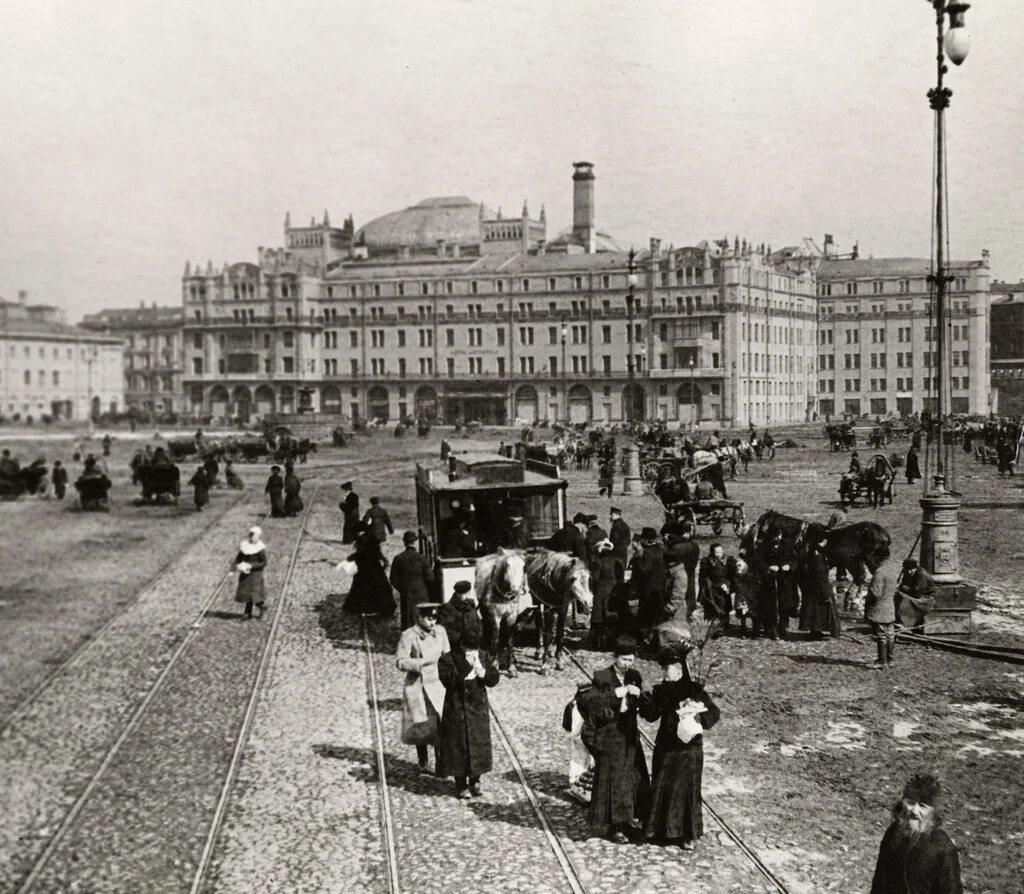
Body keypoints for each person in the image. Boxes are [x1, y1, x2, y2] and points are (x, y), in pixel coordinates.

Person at [639, 646, 720, 850]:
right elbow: (651, 715)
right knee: (662, 786)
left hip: (689, 749)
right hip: (666, 746)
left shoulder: (694, 689)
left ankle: (687, 834)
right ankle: (658, 830)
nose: (665, 673)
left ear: (679, 669)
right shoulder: (662, 690)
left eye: (668, 669)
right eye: (664, 669)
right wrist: (645, 702)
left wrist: (697, 715)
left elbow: (714, 712)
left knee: (688, 790)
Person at [579, 635, 651, 843]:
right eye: (623, 660)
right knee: (614, 781)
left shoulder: (634, 675)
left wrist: (640, 695)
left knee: (632, 778)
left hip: (629, 735)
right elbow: (593, 704)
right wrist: (618, 693)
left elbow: (640, 705)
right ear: (615, 657)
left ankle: (629, 818)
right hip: (610, 736)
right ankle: (615, 825)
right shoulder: (602, 677)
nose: (627, 664)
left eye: (631, 660)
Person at [870, 773, 963, 894]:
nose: (914, 810)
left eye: (923, 806)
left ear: (933, 813)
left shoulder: (943, 849)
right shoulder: (893, 833)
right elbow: (879, 883)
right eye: (910, 802)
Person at [437, 628, 500, 798]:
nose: (473, 653)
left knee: (477, 743)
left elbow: (494, 678)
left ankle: (475, 779)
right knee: (458, 746)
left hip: (477, 709)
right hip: (456, 708)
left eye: (475, 649)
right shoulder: (447, 659)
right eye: (469, 650)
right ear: (462, 647)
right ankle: (460, 783)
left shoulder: (483, 656)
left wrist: (483, 672)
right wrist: (468, 666)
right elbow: (448, 680)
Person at [395, 602, 450, 774]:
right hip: (417, 686)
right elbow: (400, 661)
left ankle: (442, 763)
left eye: (434, 618)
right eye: (428, 618)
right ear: (419, 618)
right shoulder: (408, 636)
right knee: (420, 724)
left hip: (438, 684)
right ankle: (423, 760)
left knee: (441, 724)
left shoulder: (440, 632)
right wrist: (420, 663)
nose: (432, 622)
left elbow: (447, 656)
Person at [342, 524, 395, 616]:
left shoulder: (364, 539)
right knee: (380, 586)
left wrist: (353, 557)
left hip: (368, 567)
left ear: (359, 532)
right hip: (372, 567)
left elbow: (364, 554)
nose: (354, 535)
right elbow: (375, 552)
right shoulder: (368, 538)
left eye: (355, 533)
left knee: (364, 587)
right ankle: (383, 608)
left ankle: (366, 608)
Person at [390, 531, 434, 629]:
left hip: (407, 596)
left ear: (404, 542)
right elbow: (430, 578)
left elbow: (393, 579)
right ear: (415, 542)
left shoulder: (398, 558)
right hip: (421, 594)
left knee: (408, 622)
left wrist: (403, 589)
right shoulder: (422, 558)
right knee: (422, 619)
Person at [799, 533, 840, 639]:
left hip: (812, 587)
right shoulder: (818, 557)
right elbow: (820, 575)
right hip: (819, 587)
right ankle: (820, 632)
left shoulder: (812, 552)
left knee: (814, 612)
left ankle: (815, 631)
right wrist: (825, 593)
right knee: (821, 611)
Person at [865, 543, 898, 669]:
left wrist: (867, 599)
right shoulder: (892, 569)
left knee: (881, 635)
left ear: (878, 558)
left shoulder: (879, 572)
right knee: (890, 633)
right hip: (890, 606)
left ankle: (881, 661)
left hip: (879, 608)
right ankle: (890, 659)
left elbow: (876, 593)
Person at [631, 527, 667, 638]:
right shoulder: (662, 550)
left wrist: (637, 557)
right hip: (661, 587)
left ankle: (645, 638)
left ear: (646, 540)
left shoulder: (648, 553)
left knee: (647, 616)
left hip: (649, 589)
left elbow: (643, 570)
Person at [590, 539, 625, 651]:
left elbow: (594, 580)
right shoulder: (618, 561)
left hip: (601, 592)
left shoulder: (598, 562)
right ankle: (613, 644)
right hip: (615, 593)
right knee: (612, 618)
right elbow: (621, 578)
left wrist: (593, 591)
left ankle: (599, 645)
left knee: (599, 619)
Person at [437, 580, 483, 650]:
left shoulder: (471, 605)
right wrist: (462, 640)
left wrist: (478, 634)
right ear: (457, 594)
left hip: (475, 644)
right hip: (459, 647)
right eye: (465, 594)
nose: (468, 596)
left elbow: (478, 621)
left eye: (469, 593)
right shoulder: (448, 608)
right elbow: (446, 630)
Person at [698, 543, 732, 637]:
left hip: (724, 587)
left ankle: (722, 626)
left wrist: (727, 585)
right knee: (713, 606)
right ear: (712, 552)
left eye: (720, 552)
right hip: (712, 587)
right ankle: (714, 627)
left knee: (724, 605)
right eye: (717, 552)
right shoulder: (707, 562)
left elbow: (731, 576)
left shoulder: (728, 561)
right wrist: (708, 586)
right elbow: (703, 576)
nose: (719, 554)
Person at [234, 526, 267, 620]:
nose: (252, 537)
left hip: (256, 574)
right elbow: (239, 558)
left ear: (258, 536)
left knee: (256, 594)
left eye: (254, 535)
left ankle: (261, 608)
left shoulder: (260, 548)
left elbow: (264, 563)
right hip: (246, 573)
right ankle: (247, 612)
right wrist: (239, 565)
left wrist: (251, 565)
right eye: (251, 535)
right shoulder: (245, 545)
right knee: (246, 593)